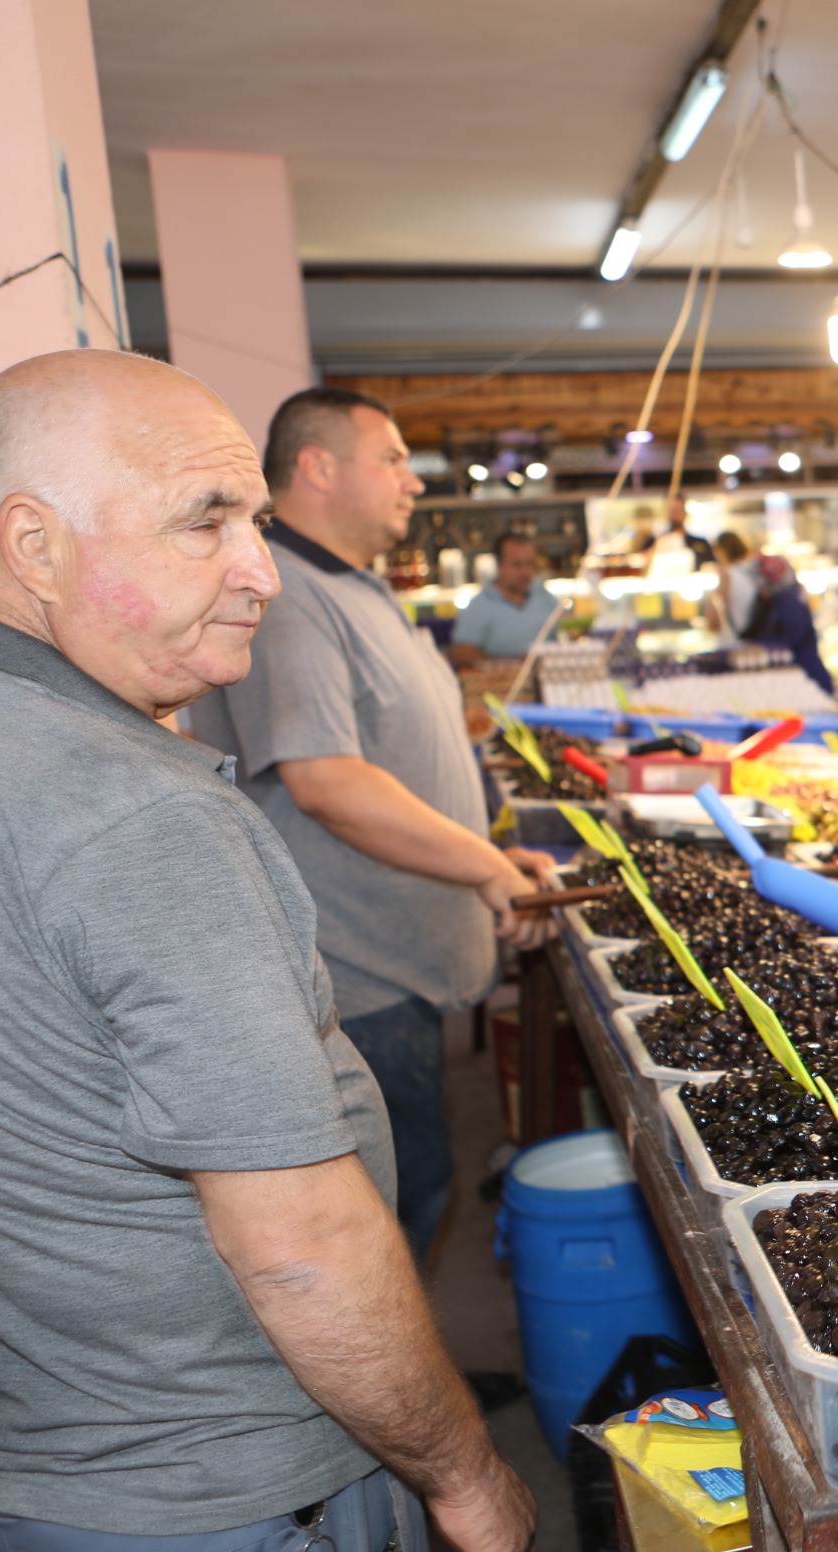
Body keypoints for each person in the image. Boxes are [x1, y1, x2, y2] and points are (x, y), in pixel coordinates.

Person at [0, 350, 532, 1552]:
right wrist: (464, 1468)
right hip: (224, 1490)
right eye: (203, 520)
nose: (260, 569)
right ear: (31, 543)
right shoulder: (143, 816)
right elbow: (302, 1252)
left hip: (16, 1443)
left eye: (258, 524)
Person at [186, 387, 556, 1260]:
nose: (412, 482)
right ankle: (385, 1396)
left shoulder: (350, 586)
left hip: (401, 969)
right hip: (357, 981)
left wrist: (486, 850)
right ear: (317, 466)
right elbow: (327, 782)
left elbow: (388, 758)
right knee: (379, 1221)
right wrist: (483, 869)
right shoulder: (289, 595)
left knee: (416, 1190)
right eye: (390, 458)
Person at [710, 527, 835, 693]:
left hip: (766, 658)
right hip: (803, 661)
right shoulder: (770, 574)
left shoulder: (730, 575)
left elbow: (712, 623)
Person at [449, 531, 564, 664]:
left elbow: (568, 632)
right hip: (501, 681)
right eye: (517, 564)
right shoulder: (478, 606)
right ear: (499, 565)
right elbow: (462, 653)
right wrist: (512, 663)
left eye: (529, 563)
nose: (525, 571)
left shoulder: (545, 596)